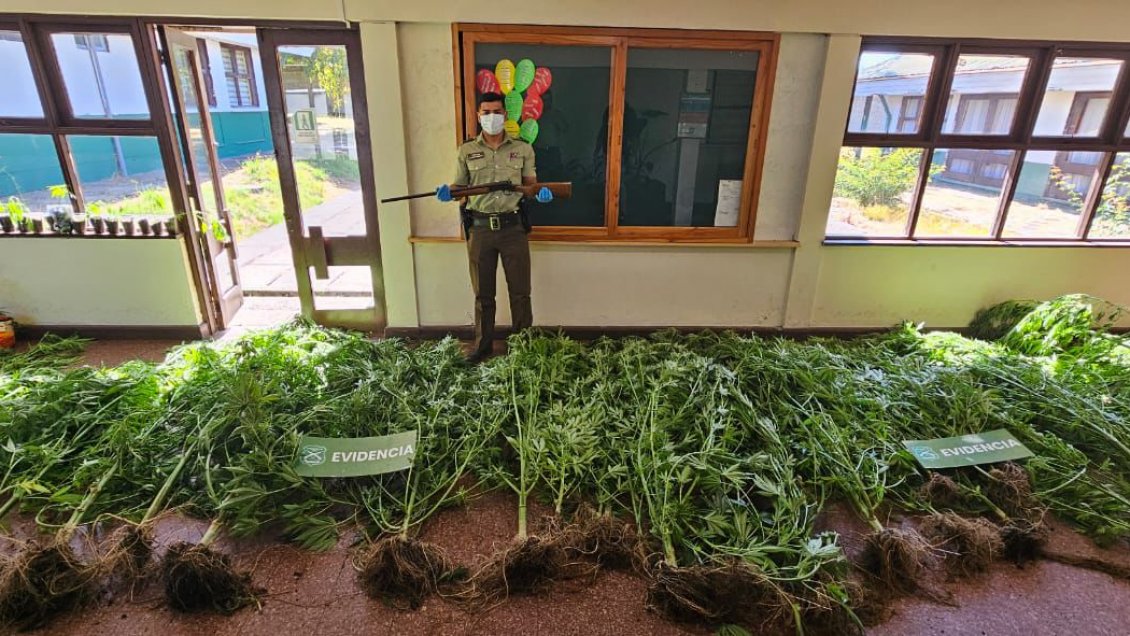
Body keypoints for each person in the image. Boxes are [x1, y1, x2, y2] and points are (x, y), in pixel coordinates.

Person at [436, 92, 554, 364]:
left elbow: (530, 185)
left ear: (505, 114)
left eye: (497, 111)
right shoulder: (466, 150)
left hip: (513, 228)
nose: (492, 117)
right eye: (486, 112)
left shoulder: (522, 148)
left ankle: (523, 346)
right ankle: (482, 345)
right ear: (479, 116)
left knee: (521, 292)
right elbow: (460, 188)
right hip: (479, 229)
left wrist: (540, 193)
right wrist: (448, 192)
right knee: (483, 294)